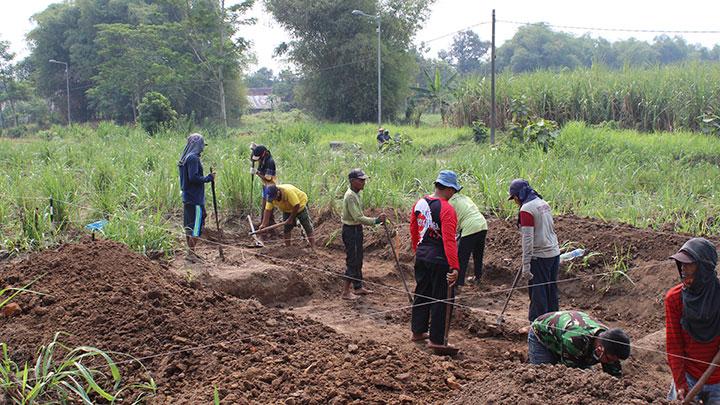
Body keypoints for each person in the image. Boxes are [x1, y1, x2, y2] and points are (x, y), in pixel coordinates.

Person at [409, 170, 460, 350]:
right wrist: (454, 266)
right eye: (453, 190)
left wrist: (418, 251)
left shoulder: (419, 203)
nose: (453, 194)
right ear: (447, 188)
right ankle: (438, 341)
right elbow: (449, 240)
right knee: (442, 299)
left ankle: (418, 331)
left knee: (422, 293)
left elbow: (414, 230)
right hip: (440, 259)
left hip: (422, 256)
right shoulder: (447, 209)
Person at [666, 238, 720, 402]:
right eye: (681, 264)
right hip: (688, 376)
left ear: (704, 268)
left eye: (688, 264)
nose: (683, 269)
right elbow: (674, 345)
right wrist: (680, 383)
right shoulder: (674, 299)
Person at [508, 178, 560, 321]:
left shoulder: (526, 210)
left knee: (539, 294)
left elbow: (528, 239)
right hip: (554, 253)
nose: (515, 201)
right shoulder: (543, 203)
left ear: (519, 195)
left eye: (515, 198)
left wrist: (526, 264)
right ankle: (555, 323)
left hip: (540, 256)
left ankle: (537, 327)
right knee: (551, 291)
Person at [528, 310, 631, 377]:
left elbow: (614, 376)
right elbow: (569, 374)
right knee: (544, 377)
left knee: (588, 376)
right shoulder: (575, 340)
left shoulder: (610, 341)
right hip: (542, 334)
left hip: (565, 337)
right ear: (600, 349)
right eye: (609, 359)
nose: (610, 362)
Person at [340, 169, 386, 300]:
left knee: (358, 258)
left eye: (364, 180)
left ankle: (358, 287)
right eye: (361, 180)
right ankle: (345, 292)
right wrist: (375, 221)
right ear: (352, 181)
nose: (363, 182)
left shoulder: (356, 194)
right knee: (352, 260)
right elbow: (358, 217)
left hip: (356, 229)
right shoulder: (350, 196)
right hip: (350, 230)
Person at [178, 133, 215, 260]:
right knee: (197, 225)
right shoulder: (193, 158)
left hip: (188, 197)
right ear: (197, 145)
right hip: (195, 198)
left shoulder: (185, 157)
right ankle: (191, 253)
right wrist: (208, 178)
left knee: (190, 225)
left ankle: (191, 252)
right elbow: (193, 177)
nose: (202, 149)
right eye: (201, 146)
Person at [448, 189, 488, 287]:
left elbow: (451, 220)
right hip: (482, 224)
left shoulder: (450, 202)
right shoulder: (465, 198)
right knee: (478, 254)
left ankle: (458, 283)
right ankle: (478, 277)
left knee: (462, 257)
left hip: (470, 226)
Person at [260, 184, 315, 249]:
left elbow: (296, 205)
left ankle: (313, 248)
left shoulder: (287, 192)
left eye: (274, 197)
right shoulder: (271, 198)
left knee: (307, 226)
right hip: (287, 209)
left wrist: (291, 218)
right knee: (287, 229)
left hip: (300, 206)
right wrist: (264, 224)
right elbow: (268, 210)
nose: (274, 199)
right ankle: (288, 248)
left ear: (278, 192)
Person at [251, 144, 277, 227]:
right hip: (264, 186)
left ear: (263, 154)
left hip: (270, 186)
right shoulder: (263, 158)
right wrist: (254, 149)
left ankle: (269, 225)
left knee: (268, 207)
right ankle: (264, 222)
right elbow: (253, 158)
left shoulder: (270, 162)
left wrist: (257, 173)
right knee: (264, 206)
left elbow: (268, 178)